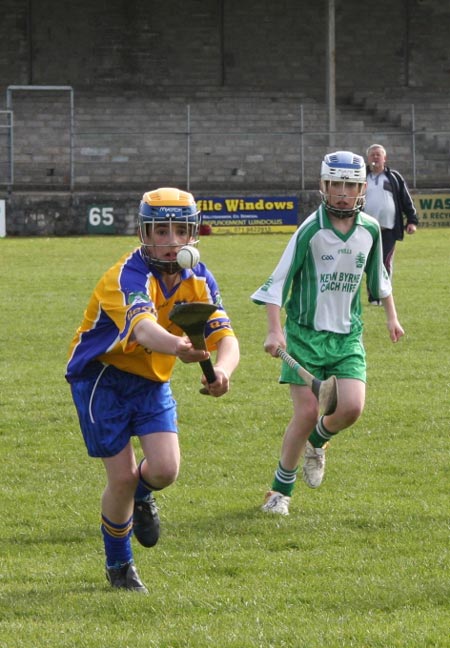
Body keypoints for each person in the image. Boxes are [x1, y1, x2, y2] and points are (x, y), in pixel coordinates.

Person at [66, 187, 240, 592]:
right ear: (145, 232)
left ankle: (142, 495)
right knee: (122, 477)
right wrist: (180, 347)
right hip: (101, 379)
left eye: (180, 230)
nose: (171, 242)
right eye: (160, 231)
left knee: (164, 469)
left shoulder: (200, 277)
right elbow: (144, 328)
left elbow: (226, 336)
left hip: (151, 380)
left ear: (193, 233)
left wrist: (224, 372)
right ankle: (120, 567)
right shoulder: (126, 275)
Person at [251, 151, 405, 516]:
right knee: (305, 412)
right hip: (304, 336)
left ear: (361, 188)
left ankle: (318, 441)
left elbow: (379, 279)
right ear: (323, 185)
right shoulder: (310, 230)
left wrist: (391, 318)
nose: (341, 193)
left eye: (350, 186)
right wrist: (275, 330)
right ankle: (279, 493)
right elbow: (277, 284)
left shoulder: (369, 229)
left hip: (346, 336)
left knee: (351, 407)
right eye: (335, 184)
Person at [365, 143, 418, 305]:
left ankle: (382, 295)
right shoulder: (361, 178)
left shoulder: (394, 177)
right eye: (372, 155)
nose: (375, 157)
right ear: (368, 158)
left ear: (384, 158)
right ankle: (373, 295)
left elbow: (406, 199)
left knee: (384, 262)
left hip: (388, 229)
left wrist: (411, 220)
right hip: (366, 229)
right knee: (368, 263)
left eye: (378, 155)